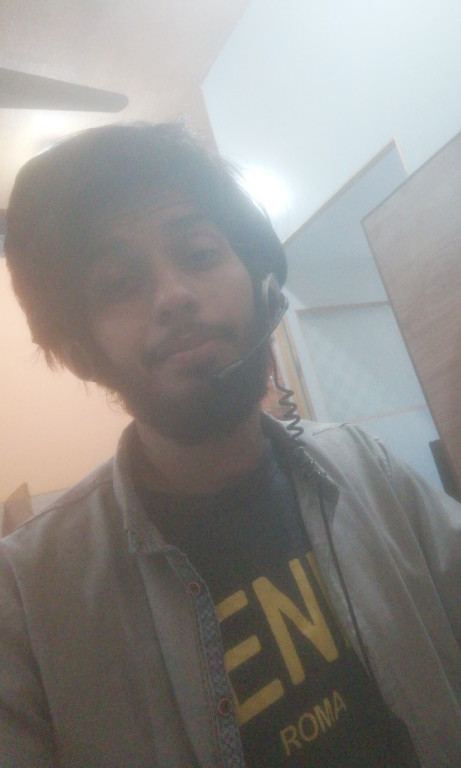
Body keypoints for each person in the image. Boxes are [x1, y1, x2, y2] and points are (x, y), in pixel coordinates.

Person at [1, 123, 460, 768]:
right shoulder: (26, 600)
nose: (173, 296)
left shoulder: (368, 465)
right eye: (119, 284)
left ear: (263, 284)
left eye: (198, 253)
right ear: (83, 353)